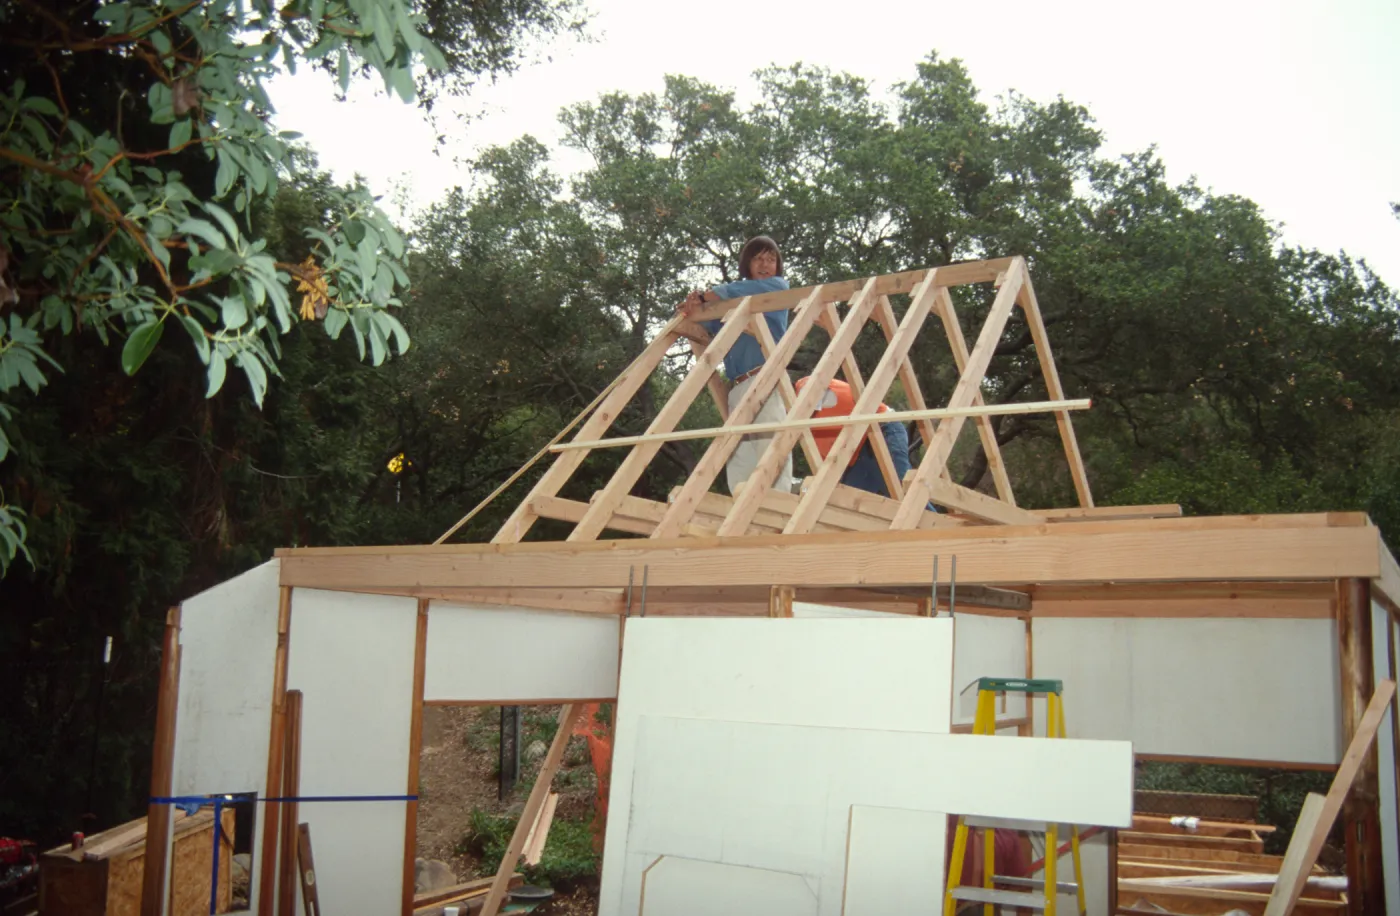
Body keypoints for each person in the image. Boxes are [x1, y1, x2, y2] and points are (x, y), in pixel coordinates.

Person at [677, 235, 794, 496]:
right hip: (738, 386)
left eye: (771, 259)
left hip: (763, 379)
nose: (765, 264)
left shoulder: (776, 287)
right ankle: (740, 508)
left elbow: (736, 291)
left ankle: (781, 504)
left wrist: (707, 296)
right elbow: (708, 325)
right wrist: (693, 308)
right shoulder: (730, 305)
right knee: (739, 452)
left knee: (771, 444)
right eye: (758, 259)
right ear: (747, 264)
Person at [793, 377, 912, 498]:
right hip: (853, 456)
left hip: (878, 429)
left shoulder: (804, 387)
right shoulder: (802, 430)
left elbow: (812, 396)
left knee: (902, 490)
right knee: (847, 502)